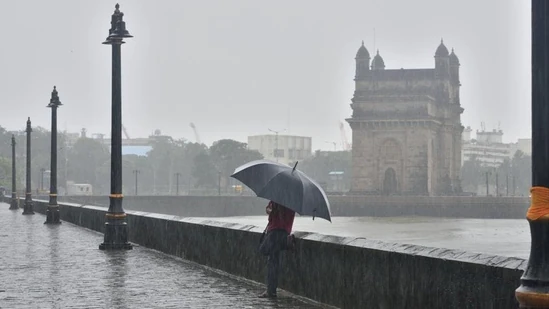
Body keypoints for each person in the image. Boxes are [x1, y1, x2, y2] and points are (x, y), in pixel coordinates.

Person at [258, 200, 296, 298]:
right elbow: (269, 209)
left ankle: (271, 291)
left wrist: (272, 210)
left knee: (272, 262)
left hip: (274, 232)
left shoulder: (277, 198)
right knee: (273, 260)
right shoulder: (292, 201)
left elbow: (269, 210)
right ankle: (286, 242)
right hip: (285, 232)